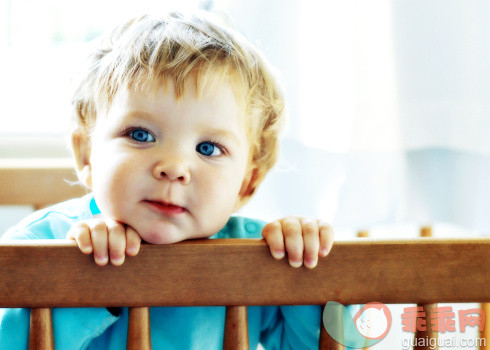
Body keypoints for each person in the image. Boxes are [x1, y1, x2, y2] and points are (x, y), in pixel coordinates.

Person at [0, 11, 334, 349]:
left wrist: (308, 274)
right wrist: (88, 283)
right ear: (87, 155)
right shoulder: (40, 244)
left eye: (208, 148)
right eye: (141, 135)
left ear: (247, 184)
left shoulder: (261, 257)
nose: (174, 167)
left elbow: (331, 343)